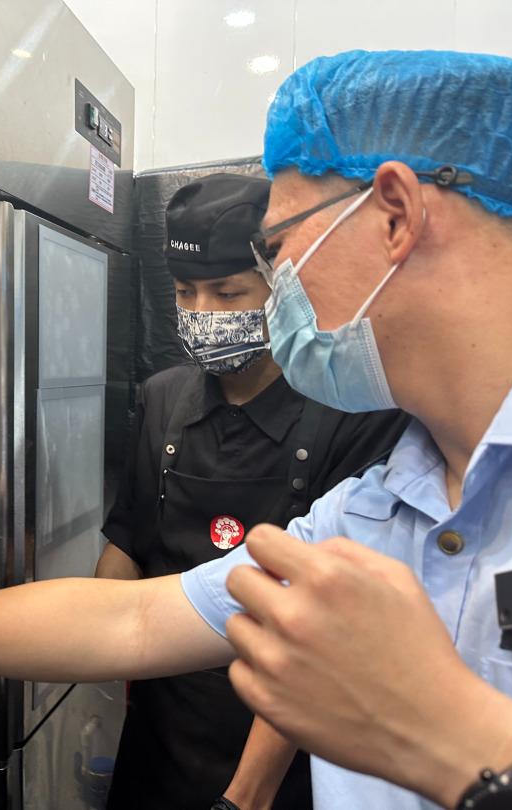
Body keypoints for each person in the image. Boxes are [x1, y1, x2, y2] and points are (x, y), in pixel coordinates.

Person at [0, 49, 512, 810]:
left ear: (392, 215)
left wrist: (460, 747)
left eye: (279, 248)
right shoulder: (381, 507)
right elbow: (127, 619)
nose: (280, 288)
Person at [96, 172, 408, 810]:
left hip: (282, 736)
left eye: (228, 292)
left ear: (280, 288)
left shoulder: (352, 414)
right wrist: (92, 645)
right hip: (162, 719)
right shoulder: (163, 399)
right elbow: (127, 542)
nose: (203, 313)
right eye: (185, 293)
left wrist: (246, 796)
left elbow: (323, 631)